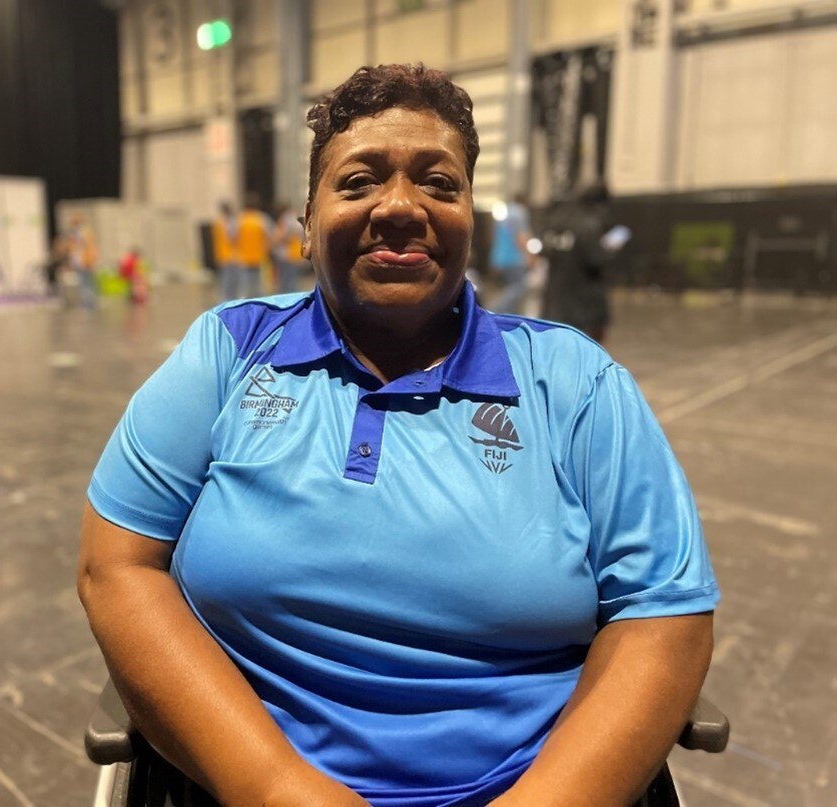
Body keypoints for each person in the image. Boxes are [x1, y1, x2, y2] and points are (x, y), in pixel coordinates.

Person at [79, 64, 718, 807]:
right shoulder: (226, 352)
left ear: (470, 217)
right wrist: (276, 787)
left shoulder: (575, 380)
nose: (400, 207)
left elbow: (663, 613)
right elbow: (116, 565)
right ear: (307, 222)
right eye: (358, 182)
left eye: (439, 184)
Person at [542, 183, 614, 343]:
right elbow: (595, 259)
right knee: (585, 348)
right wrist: (610, 250)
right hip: (583, 302)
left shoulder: (555, 223)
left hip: (555, 299)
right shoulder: (588, 224)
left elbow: (546, 253)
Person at [488, 194, 532, 315]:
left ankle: (503, 315)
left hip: (501, 258)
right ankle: (495, 311)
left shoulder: (505, 214)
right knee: (517, 288)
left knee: (511, 288)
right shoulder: (520, 213)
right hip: (516, 259)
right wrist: (530, 257)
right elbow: (521, 237)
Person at [271, 202, 309, 295]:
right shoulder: (296, 220)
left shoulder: (286, 220)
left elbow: (282, 236)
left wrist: (274, 243)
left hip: (286, 254)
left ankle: (286, 298)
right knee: (292, 279)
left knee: (285, 281)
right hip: (295, 254)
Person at [68, 214, 100, 309]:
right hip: (85, 262)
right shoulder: (84, 232)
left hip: (84, 262)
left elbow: (77, 249)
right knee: (87, 283)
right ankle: (89, 303)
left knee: (85, 284)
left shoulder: (80, 233)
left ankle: (88, 304)